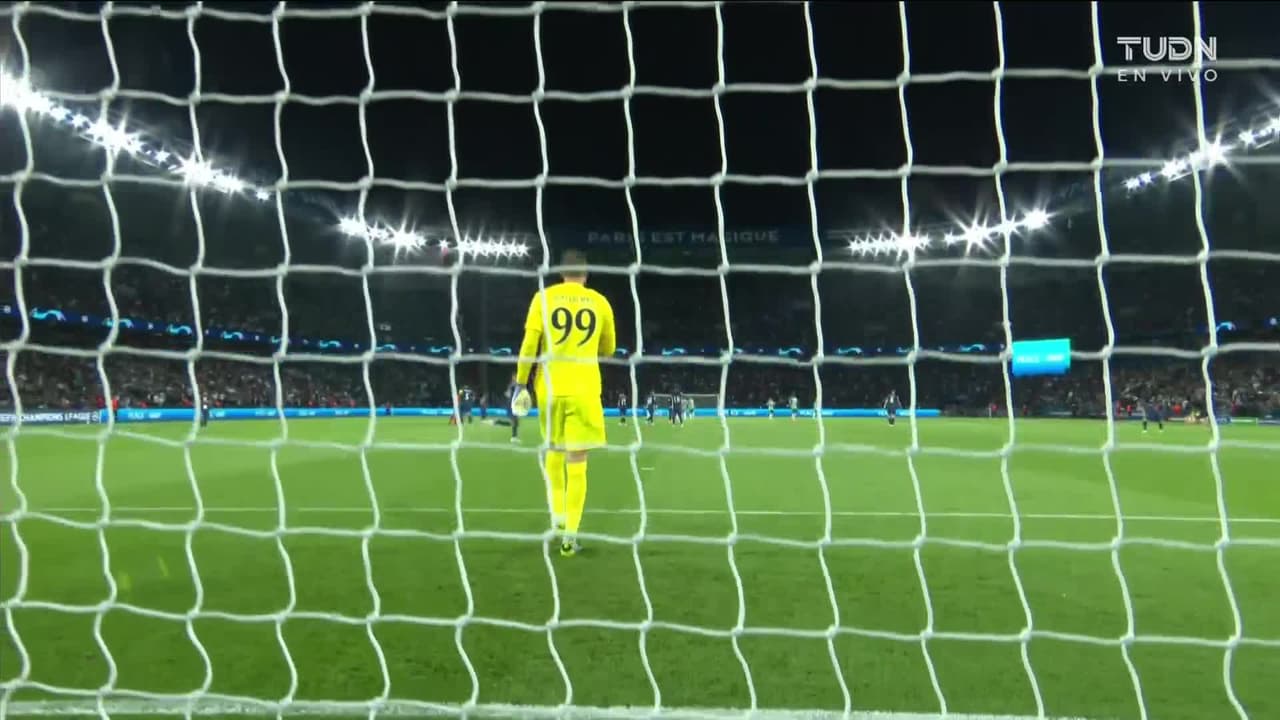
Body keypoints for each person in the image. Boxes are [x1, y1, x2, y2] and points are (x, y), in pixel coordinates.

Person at [513, 249, 616, 558]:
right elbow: (609, 349)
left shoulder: (543, 298)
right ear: (586, 274)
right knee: (578, 462)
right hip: (584, 389)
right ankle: (570, 536)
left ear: (560, 272)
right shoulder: (599, 302)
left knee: (554, 451)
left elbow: (530, 344)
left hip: (550, 389)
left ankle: (557, 517)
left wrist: (521, 382)